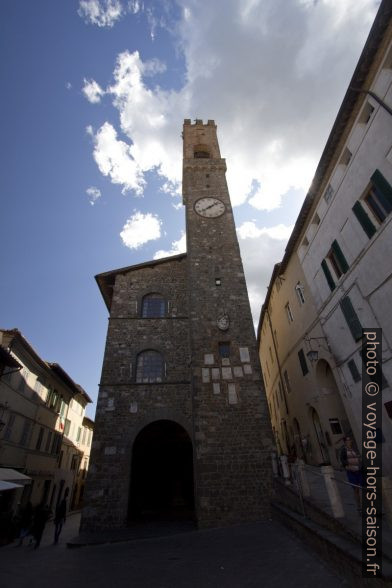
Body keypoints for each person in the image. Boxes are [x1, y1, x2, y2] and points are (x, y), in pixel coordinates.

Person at [339, 436, 363, 510]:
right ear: (345, 442)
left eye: (350, 440)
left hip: (358, 470)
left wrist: (359, 462)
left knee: (363, 487)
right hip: (351, 472)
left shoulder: (353, 449)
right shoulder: (343, 450)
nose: (350, 441)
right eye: (348, 440)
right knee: (356, 489)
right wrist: (348, 465)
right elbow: (342, 460)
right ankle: (359, 506)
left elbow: (358, 458)